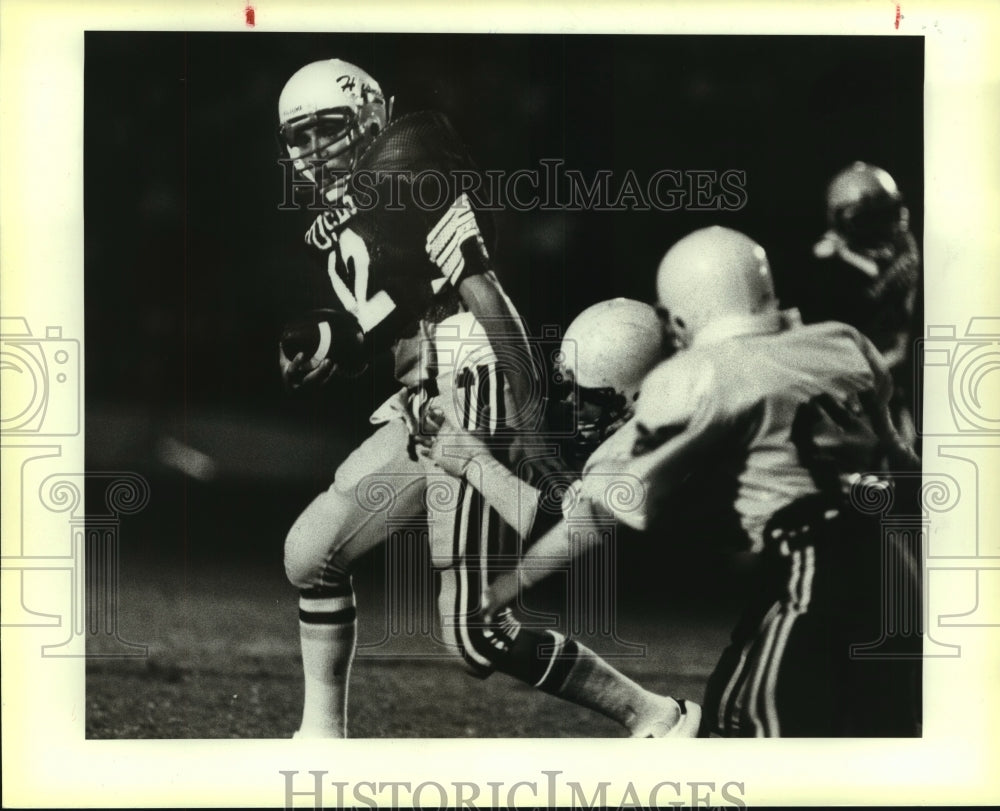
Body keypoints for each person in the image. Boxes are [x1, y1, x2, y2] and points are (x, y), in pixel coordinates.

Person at [483, 226, 922, 737]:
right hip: (895, 561)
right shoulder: (842, 342)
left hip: (813, 559)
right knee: (875, 729)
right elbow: (900, 460)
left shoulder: (697, 375)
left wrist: (509, 583)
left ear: (685, 312)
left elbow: (599, 515)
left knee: (755, 727)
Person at [417, 298, 701, 737]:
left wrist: (476, 463)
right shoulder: (635, 410)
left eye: (585, 397)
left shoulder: (658, 443)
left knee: (476, 635)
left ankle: (664, 721)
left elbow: (564, 531)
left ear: (636, 397)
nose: (568, 403)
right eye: (565, 383)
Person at [799, 162, 921, 443]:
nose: (884, 226)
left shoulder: (904, 246)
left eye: (887, 213)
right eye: (870, 218)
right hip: (864, 386)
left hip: (902, 373)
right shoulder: (825, 272)